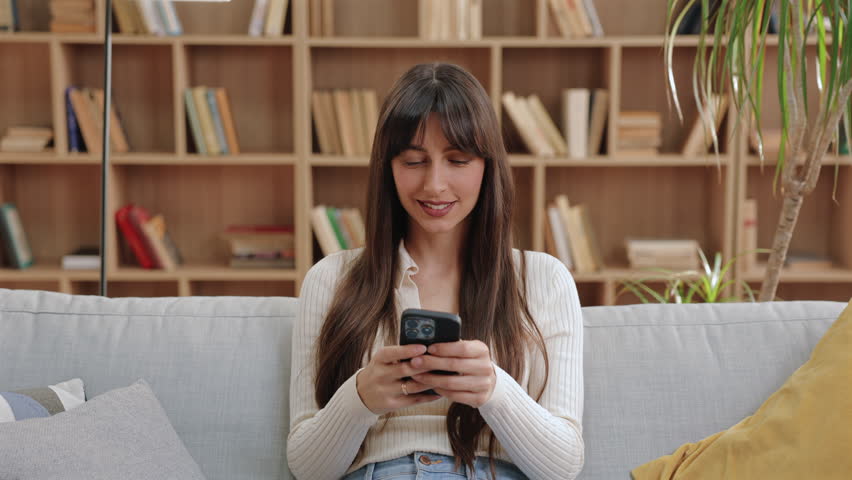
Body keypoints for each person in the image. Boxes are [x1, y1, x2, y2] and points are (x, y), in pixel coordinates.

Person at [288, 63, 584, 480]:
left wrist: (493, 391)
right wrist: (360, 399)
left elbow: (564, 467)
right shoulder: (332, 279)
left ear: (487, 166)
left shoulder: (543, 280)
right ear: (387, 169)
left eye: (458, 160)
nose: (435, 185)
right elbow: (306, 468)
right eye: (413, 161)